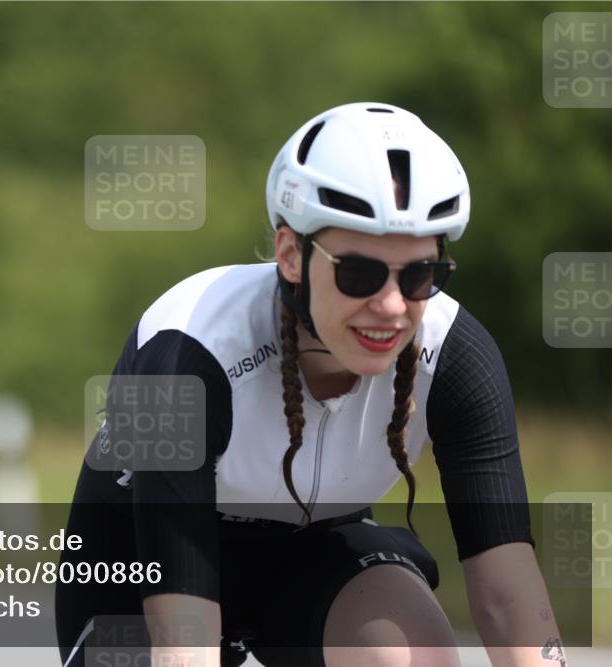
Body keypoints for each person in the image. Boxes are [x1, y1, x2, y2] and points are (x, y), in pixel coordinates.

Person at [56, 103, 567, 667]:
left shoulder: (457, 357)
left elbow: (508, 597)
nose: (393, 306)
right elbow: (185, 635)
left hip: (314, 558)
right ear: (291, 255)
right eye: (360, 274)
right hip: (144, 576)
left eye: (421, 275)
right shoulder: (187, 357)